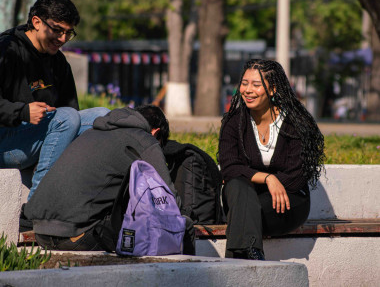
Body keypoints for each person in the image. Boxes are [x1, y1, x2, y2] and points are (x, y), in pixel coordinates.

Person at [24, 105, 194, 253]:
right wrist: (188, 215)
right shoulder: (144, 139)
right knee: (180, 227)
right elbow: (168, 199)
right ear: (155, 132)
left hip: (41, 233)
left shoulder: (92, 132)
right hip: (75, 236)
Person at [0, 0, 109, 199]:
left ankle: (95, 196)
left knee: (102, 117)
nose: (63, 39)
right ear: (36, 22)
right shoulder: (7, 49)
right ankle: (36, 206)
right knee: (65, 117)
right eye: (57, 30)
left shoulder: (57, 61)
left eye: (68, 33)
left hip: (38, 137)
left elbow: (72, 111)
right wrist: (21, 112)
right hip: (6, 142)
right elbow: (65, 117)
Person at [218, 59, 325, 260]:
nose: (248, 90)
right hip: (244, 197)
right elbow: (229, 168)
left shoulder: (296, 123)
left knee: (243, 210)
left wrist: (264, 181)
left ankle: (235, 265)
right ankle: (253, 256)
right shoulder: (234, 122)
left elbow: (296, 177)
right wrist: (268, 178)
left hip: (287, 202)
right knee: (236, 186)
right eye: (244, 83)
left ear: (273, 89)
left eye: (256, 85)